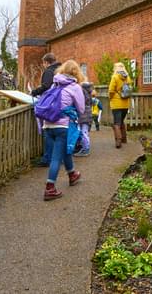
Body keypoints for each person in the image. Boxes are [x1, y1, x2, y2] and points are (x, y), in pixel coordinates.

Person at [43, 60, 85, 201]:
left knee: (63, 150)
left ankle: (72, 174)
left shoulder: (55, 83)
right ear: (76, 72)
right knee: (56, 158)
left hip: (48, 125)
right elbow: (81, 109)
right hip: (62, 126)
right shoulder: (74, 87)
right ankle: (50, 188)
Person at [31, 53, 61, 167]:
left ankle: (47, 158)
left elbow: (46, 86)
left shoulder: (49, 71)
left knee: (48, 132)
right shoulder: (61, 70)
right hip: (60, 104)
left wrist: (35, 91)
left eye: (43, 63)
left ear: (46, 62)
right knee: (59, 134)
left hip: (50, 105)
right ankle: (58, 158)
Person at [108, 62, 132, 148]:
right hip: (125, 103)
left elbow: (111, 91)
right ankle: (124, 139)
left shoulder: (115, 77)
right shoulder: (127, 78)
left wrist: (110, 98)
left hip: (116, 103)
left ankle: (118, 142)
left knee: (117, 123)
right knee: (121, 121)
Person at [74, 82, 93, 157]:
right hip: (88, 114)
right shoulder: (89, 94)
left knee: (83, 133)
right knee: (84, 132)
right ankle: (85, 148)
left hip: (83, 115)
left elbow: (80, 103)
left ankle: (85, 149)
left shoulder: (83, 93)